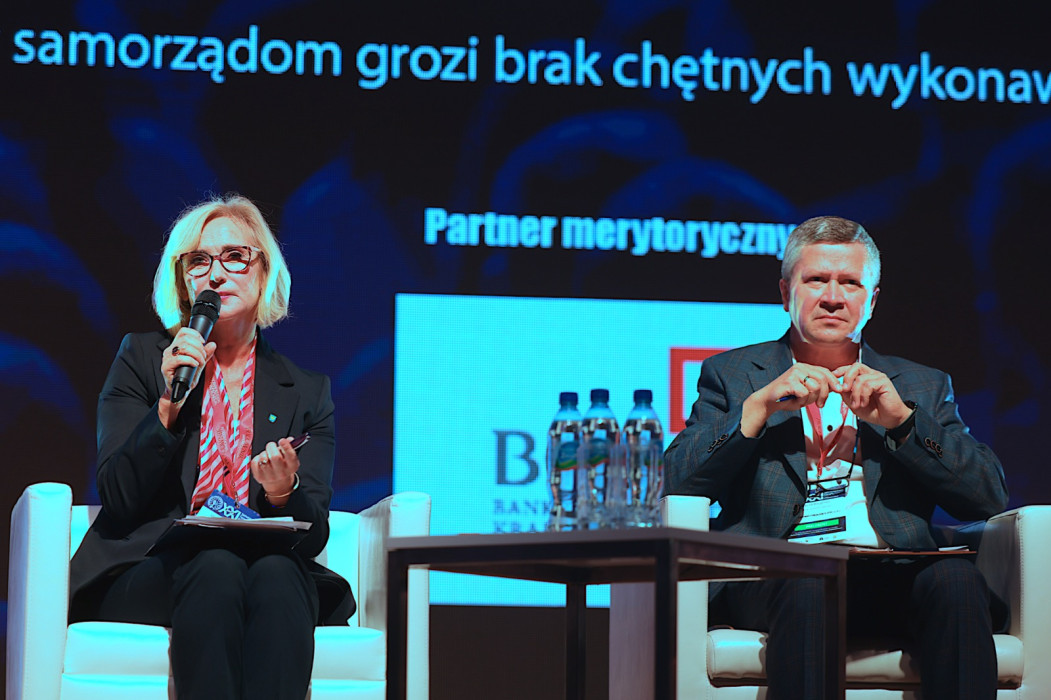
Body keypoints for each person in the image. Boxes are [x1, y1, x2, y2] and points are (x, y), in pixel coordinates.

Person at [664, 215, 1009, 700]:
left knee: (957, 580)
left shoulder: (921, 384)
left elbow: (988, 496)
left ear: (872, 299)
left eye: (850, 282)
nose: (832, 297)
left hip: (892, 570)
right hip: (776, 576)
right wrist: (756, 410)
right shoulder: (734, 374)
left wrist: (903, 422)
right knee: (810, 578)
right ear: (785, 292)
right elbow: (676, 483)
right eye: (816, 280)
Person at [69, 194, 353, 700]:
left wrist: (283, 492)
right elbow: (119, 496)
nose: (216, 274)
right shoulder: (143, 360)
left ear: (264, 272)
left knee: (279, 573)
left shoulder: (307, 391)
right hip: (154, 566)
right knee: (217, 566)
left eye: (234, 256)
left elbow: (312, 537)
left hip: (264, 565)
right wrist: (168, 406)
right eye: (199, 261)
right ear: (184, 281)